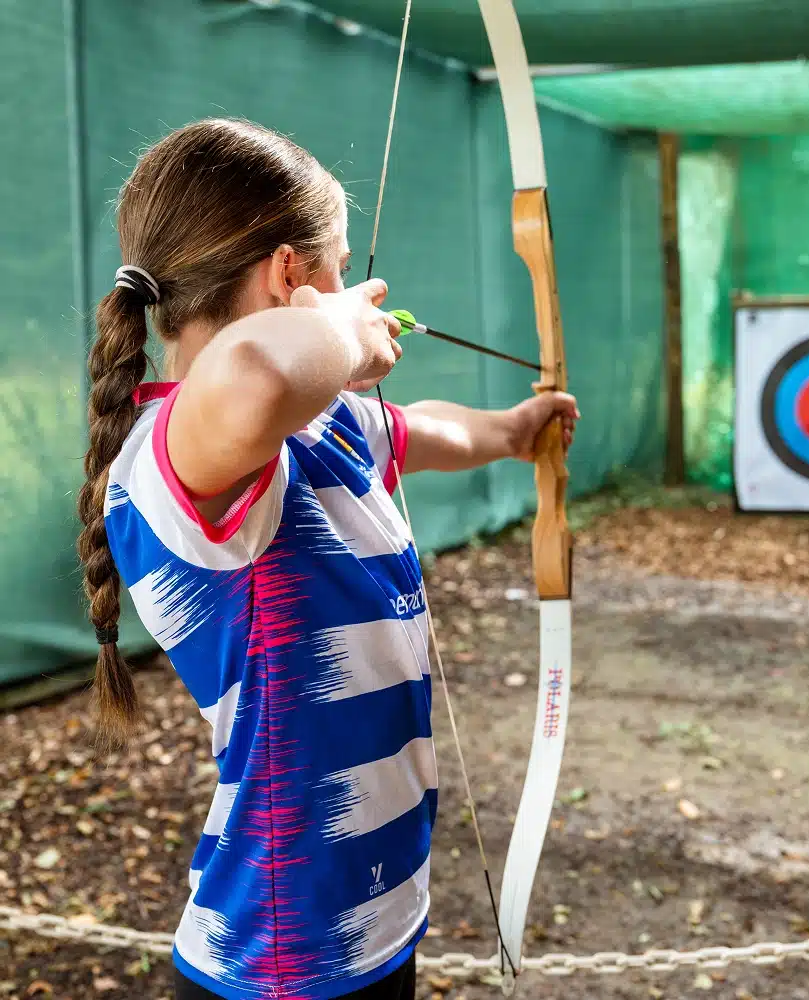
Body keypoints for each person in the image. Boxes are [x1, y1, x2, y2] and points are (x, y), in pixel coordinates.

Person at [76, 118, 578, 1000]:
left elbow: (417, 430)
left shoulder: (321, 425)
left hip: (371, 919)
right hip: (280, 955)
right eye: (340, 267)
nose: (359, 295)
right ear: (287, 275)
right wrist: (344, 334)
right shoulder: (175, 456)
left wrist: (510, 432)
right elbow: (259, 374)